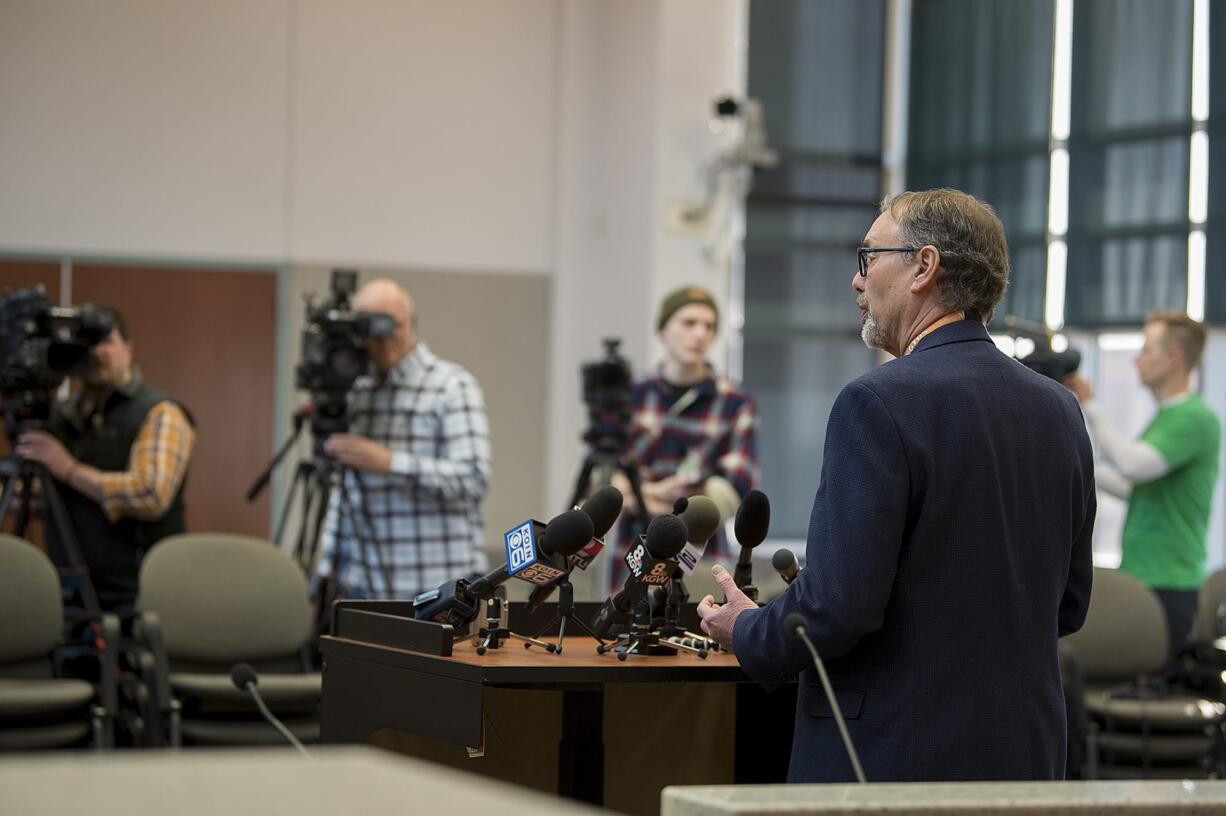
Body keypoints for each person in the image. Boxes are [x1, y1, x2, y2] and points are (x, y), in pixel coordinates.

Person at [697, 189, 1095, 782]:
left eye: (868, 258)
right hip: (1025, 754)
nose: (857, 282)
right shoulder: (1059, 409)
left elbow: (835, 609)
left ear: (923, 267)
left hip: (890, 758)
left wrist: (749, 629)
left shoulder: (878, 401)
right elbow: (1069, 604)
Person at [314, 278, 491, 599]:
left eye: (390, 325)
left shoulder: (451, 387)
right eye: (370, 327)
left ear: (411, 323)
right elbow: (343, 492)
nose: (381, 339)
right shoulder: (357, 392)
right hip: (362, 589)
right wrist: (325, 569)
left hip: (437, 589)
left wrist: (389, 463)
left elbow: (473, 480)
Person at [15, 304, 196, 615]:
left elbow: (151, 492)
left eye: (106, 342)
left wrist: (69, 469)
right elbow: (39, 498)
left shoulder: (158, 411)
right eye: (88, 344)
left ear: (128, 349)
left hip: (136, 597)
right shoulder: (61, 417)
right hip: (66, 592)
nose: (98, 353)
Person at [1065, 311, 1221, 655]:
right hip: (1144, 577)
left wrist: (1089, 406)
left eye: (1146, 349)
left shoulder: (1194, 419)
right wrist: (1074, 465)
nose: (1137, 359)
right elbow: (1136, 490)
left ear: (1173, 357)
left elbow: (1131, 465)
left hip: (1168, 584)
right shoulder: (1168, 418)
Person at [608, 285, 758, 588]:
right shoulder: (630, 395)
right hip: (628, 557)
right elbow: (604, 484)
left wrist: (639, 494)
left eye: (709, 326)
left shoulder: (734, 402)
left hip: (700, 564)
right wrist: (675, 499)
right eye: (689, 323)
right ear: (664, 330)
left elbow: (732, 495)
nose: (700, 333)